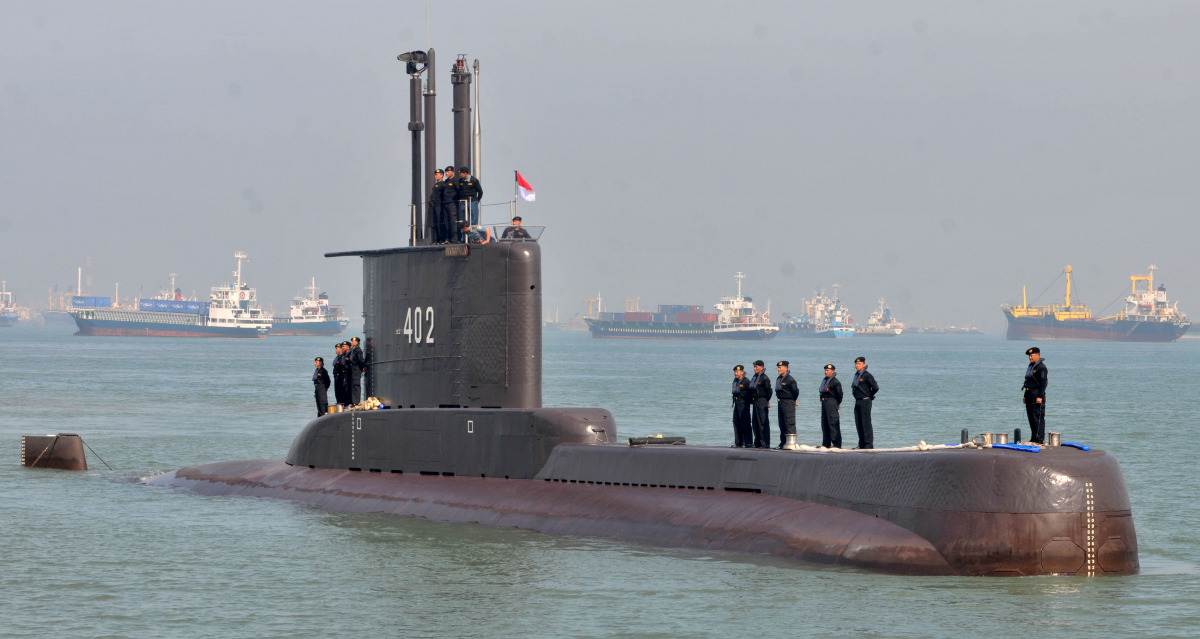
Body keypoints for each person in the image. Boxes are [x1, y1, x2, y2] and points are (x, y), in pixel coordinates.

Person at [850, 356, 880, 449]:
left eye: (859, 364)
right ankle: (861, 443)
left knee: (866, 422)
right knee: (858, 422)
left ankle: (868, 444)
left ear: (864, 365)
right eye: (856, 364)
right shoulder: (857, 375)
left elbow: (875, 387)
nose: (857, 365)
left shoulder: (867, 375)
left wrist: (870, 395)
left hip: (865, 401)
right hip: (858, 401)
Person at [1023, 346, 1048, 444]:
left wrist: (1040, 396)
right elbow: (1027, 382)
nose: (1030, 357)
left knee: (1037, 417)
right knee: (1031, 417)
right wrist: (1025, 395)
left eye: (1032, 355)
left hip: (1037, 394)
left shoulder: (1042, 368)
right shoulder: (1031, 366)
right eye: (1029, 356)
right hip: (1029, 394)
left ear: (1038, 355)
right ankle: (1033, 437)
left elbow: (1044, 383)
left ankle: (1039, 439)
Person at [774, 360, 799, 448]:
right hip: (780, 402)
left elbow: (795, 391)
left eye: (780, 368)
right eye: (778, 368)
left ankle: (791, 443)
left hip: (788, 402)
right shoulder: (779, 379)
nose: (778, 369)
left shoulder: (790, 379)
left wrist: (793, 400)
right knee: (782, 423)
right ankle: (783, 442)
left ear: (786, 368)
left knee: (789, 422)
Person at [818, 363, 843, 448]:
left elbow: (839, 394)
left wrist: (836, 404)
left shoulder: (835, 382)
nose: (826, 372)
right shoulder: (824, 380)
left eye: (828, 370)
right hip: (824, 402)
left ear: (833, 371)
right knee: (825, 423)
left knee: (832, 422)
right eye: (825, 370)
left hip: (831, 402)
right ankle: (826, 443)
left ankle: (836, 444)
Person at [749, 360, 773, 448]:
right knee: (755, 422)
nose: (754, 369)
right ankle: (757, 442)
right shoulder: (755, 377)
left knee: (763, 422)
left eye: (756, 367)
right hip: (755, 401)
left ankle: (765, 443)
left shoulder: (764, 378)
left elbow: (769, 391)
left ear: (761, 367)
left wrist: (766, 401)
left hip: (761, 401)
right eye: (754, 367)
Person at [730, 364, 753, 448]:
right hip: (736, 404)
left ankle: (748, 442)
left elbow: (751, 394)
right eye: (735, 372)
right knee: (736, 422)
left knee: (745, 423)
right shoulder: (735, 381)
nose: (735, 373)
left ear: (742, 372)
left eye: (737, 372)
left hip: (744, 405)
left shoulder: (746, 382)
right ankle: (738, 442)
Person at [441, 166, 460, 241]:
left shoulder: (455, 181)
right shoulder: (446, 182)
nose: (446, 173)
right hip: (445, 203)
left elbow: (458, 191)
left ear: (453, 172)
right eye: (446, 172)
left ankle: (455, 238)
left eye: (448, 172)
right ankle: (448, 238)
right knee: (446, 221)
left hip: (452, 203)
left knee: (453, 221)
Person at [429, 168, 447, 243]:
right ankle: (437, 238)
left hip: (440, 205)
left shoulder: (443, 184)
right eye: (435, 175)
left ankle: (442, 238)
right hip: (435, 206)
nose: (435, 176)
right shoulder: (435, 185)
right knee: (435, 222)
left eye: (437, 175)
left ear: (442, 175)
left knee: (440, 222)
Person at [349, 336, 366, 404]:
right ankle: (354, 401)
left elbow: (361, 360)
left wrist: (363, 368)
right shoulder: (354, 350)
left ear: (356, 342)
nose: (351, 342)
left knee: (356, 386)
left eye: (353, 341)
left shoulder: (358, 350)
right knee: (353, 386)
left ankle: (356, 402)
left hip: (356, 371)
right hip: (353, 371)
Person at [331, 343, 347, 407]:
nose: (336, 350)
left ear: (341, 349)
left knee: (342, 392)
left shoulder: (343, 357)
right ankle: (339, 404)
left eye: (337, 349)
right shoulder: (337, 357)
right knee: (337, 393)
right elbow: (334, 364)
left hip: (341, 378)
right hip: (336, 378)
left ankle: (343, 405)